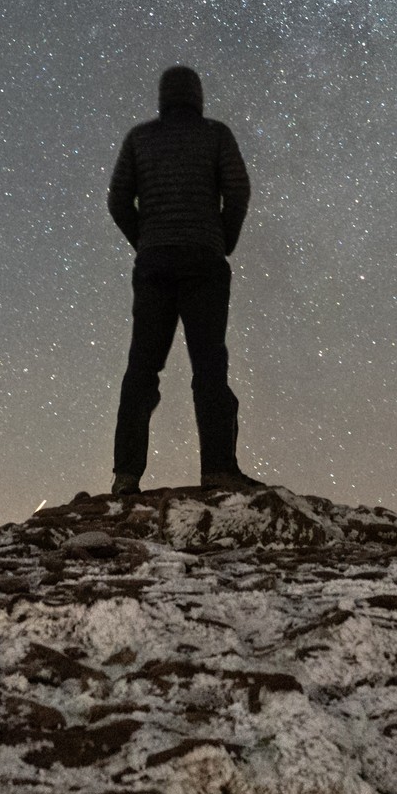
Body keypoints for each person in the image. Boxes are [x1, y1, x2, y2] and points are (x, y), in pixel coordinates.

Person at [106, 64, 262, 494]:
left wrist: (147, 239)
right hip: (204, 262)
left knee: (142, 368)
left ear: (163, 98)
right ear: (197, 97)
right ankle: (217, 471)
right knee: (210, 368)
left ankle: (125, 476)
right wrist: (221, 238)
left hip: (155, 265)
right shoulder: (216, 134)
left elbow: (117, 198)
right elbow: (239, 188)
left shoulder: (141, 138)